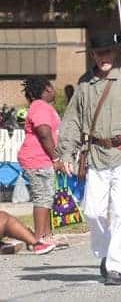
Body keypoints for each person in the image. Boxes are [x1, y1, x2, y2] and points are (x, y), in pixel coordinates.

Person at [55, 32, 121, 286]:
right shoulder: (85, 84)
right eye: (100, 53)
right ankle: (106, 252)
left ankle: (117, 266)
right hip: (96, 156)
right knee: (93, 211)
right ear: (92, 55)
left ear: (115, 53)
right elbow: (73, 120)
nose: (104, 57)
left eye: (108, 52)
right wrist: (67, 151)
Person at [17, 77, 60, 246]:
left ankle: (47, 236)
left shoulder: (40, 106)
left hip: (42, 159)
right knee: (42, 198)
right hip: (38, 159)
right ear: (47, 89)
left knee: (47, 197)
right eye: (53, 87)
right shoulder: (40, 106)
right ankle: (39, 239)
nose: (55, 91)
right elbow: (44, 132)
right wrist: (55, 157)